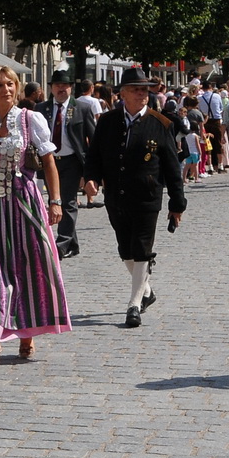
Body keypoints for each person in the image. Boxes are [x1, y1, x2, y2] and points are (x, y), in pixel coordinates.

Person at [0, 65, 70, 368]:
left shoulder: (30, 119)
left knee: (28, 267)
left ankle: (26, 332)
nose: (6, 89)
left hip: (24, 202)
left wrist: (55, 202)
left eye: (10, 84)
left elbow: (48, 162)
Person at [84, 66, 189, 329]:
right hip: (116, 195)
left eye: (145, 90)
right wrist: (91, 179)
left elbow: (172, 167)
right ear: (122, 93)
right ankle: (147, 291)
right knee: (125, 249)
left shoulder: (161, 123)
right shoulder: (107, 122)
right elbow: (94, 156)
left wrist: (177, 203)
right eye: (136, 89)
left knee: (142, 248)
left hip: (147, 196)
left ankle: (133, 304)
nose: (142, 94)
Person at [38, 69, 95, 258]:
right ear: (51, 88)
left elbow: (92, 139)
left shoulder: (81, 108)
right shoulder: (41, 109)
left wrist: (91, 170)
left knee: (68, 201)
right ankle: (72, 244)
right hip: (49, 162)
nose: (61, 88)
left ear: (71, 88)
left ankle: (61, 244)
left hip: (72, 161)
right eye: (57, 85)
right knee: (55, 200)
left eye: (64, 85)